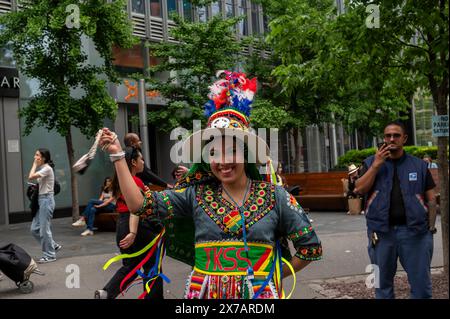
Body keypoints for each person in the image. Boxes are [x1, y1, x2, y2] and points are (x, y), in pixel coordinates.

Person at [98, 71, 322, 299]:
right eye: (214, 152)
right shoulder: (195, 195)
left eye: (231, 150)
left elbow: (310, 247)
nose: (222, 161)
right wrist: (117, 156)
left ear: (245, 153)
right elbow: (140, 204)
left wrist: (274, 275)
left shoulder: (275, 196)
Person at [355, 121, 437, 299]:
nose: (391, 139)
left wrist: (430, 229)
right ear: (383, 138)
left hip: (416, 234)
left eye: (396, 135)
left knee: (422, 288)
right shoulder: (369, 163)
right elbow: (359, 189)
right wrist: (376, 165)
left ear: (404, 139)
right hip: (380, 235)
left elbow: (431, 199)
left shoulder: (420, 166)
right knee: (381, 287)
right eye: (388, 136)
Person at [95, 147, 163, 299]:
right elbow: (136, 209)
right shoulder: (135, 181)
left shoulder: (121, 182)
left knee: (131, 264)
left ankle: (107, 293)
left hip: (122, 225)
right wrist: (133, 232)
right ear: (133, 162)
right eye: (141, 159)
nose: (143, 162)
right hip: (138, 225)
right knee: (153, 266)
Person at [28, 149, 62, 263]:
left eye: (37, 155)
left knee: (44, 229)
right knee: (34, 229)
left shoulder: (47, 168)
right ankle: (53, 245)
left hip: (46, 200)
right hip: (42, 200)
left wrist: (34, 165)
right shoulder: (44, 169)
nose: (35, 157)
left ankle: (50, 255)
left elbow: (30, 176)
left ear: (43, 158)